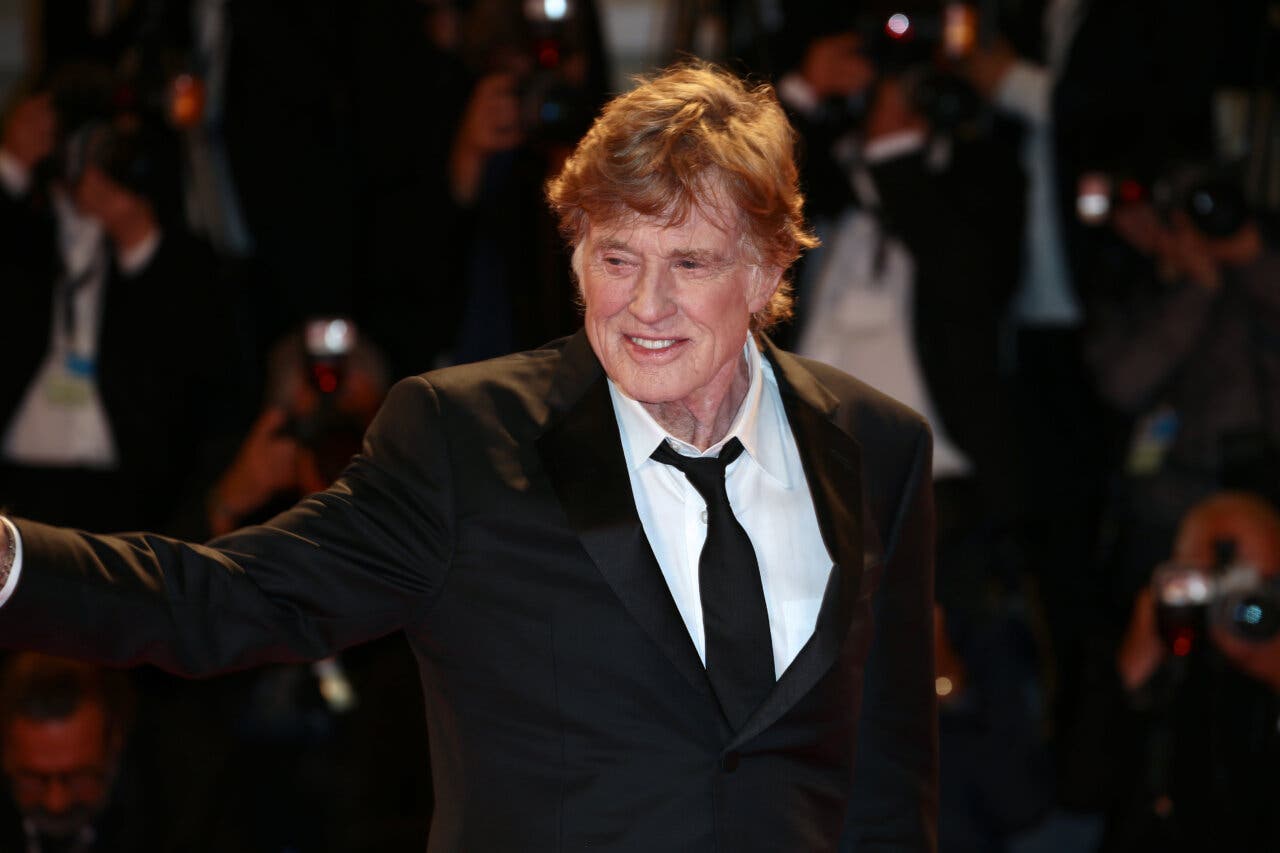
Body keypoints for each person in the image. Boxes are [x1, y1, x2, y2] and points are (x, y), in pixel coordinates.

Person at [0, 63, 937, 851]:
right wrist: (12, 562)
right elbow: (231, 596)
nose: (646, 306)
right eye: (617, 259)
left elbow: (888, 782)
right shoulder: (464, 439)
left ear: (767, 269)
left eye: (688, 263)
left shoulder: (875, 446)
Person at [0, 653, 135, 853]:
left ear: (114, 745)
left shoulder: (170, 819)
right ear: (5, 754)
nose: (56, 803)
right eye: (33, 778)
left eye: (79, 777)